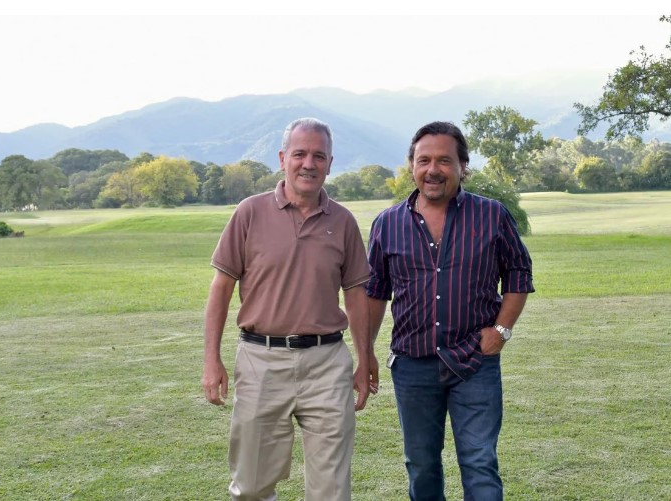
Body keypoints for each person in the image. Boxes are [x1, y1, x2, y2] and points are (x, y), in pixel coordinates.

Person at [202, 117, 378, 501]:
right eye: (300, 154)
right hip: (260, 361)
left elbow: (355, 294)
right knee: (252, 486)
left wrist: (365, 358)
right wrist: (211, 360)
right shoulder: (250, 212)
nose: (308, 164)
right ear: (283, 158)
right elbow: (221, 288)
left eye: (319, 156)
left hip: (327, 364)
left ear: (330, 164)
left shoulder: (343, 222)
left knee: (331, 490)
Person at [366, 121, 534, 501]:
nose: (433, 170)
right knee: (421, 465)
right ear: (412, 166)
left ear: (462, 166)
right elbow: (375, 292)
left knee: (479, 462)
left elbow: (519, 274)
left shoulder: (492, 215)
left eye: (444, 160)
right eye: (423, 160)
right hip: (412, 365)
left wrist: (501, 331)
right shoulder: (388, 224)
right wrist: (366, 351)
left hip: (474, 360)